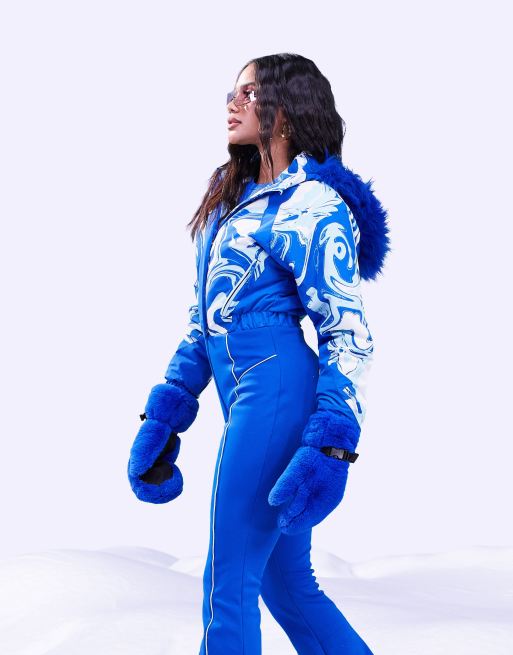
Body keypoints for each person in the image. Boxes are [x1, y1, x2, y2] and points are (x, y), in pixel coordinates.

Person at [127, 53, 390, 655]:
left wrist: (331, 447)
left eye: (250, 92)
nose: (234, 102)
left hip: (276, 391)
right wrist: (166, 414)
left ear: (288, 110)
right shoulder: (231, 199)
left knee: (230, 577)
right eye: (233, 91)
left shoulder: (312, 204)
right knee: (285, 582)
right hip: (245, 390)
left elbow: (347, 330)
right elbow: (205, 320)